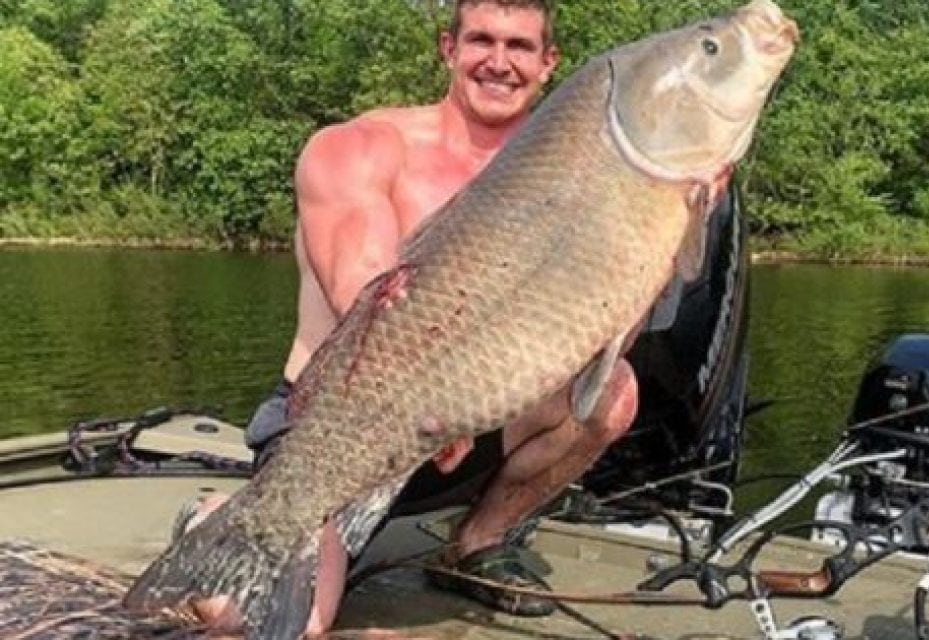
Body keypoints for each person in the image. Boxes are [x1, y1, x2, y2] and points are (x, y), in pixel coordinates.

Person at [181, 0, 641, 634]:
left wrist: (674, 220)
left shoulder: (581, 181)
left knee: (614, 392)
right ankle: (213, 517)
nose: (499, 62)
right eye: (481, 40)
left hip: (468, 425)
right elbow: (361, 294)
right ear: (447, 48)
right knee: (266, 623)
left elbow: (609, 325)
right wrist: (431, 387)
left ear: (548, 63)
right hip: (342, 431)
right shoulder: (359, 148)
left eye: (520, 46)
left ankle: (477, 544)